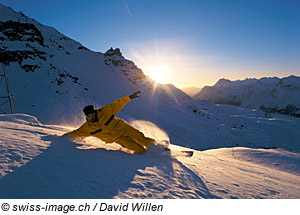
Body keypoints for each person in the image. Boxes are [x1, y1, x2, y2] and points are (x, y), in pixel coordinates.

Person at [64, 90, 155, 154]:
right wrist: (62, 139)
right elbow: (76, 133)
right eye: (88, 116)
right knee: (137, 148)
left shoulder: (105, 111)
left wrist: (129, 97)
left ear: (95, 112)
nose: (90, 117)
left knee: (141, 138)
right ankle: (146, 157)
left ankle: (157, 148)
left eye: (92, 115)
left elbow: (117, 104)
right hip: (117, 138)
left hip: (123, 128)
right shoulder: (87, 127)